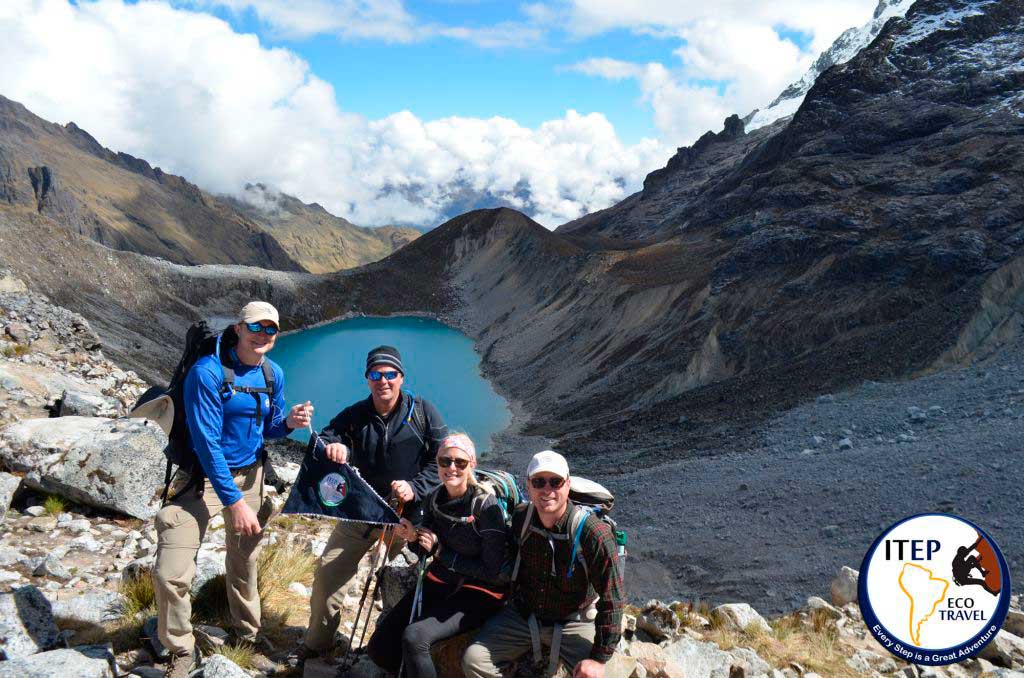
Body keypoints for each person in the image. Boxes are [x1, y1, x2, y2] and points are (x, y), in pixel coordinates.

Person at [153, 301, 313, 678]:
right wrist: (235, 501)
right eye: (256, 327)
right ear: (239, 328)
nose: (263, 335)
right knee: (170, 572)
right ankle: (179, 649)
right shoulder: (206, 373)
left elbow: (268, 425)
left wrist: (288, 422)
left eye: (271, 329)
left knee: (245, 561)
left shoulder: (273, 374)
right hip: (204, 479)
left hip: (251, 476)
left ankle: (247, 635)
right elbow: (207, 442)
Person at [292, 345, 448, 664]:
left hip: (407, 521)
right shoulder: (355, 415)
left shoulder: (423, 412)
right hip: (361, 514)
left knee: (402, 587)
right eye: (376, 375)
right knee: (326, 577)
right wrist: (335, 447)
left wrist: (415, 487)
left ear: (401, 378)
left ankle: (389, 655)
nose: (383, 381)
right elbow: (324, 438)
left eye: (390, 374)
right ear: (367, 380)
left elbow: (443, 460)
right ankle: (319, 643)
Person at [462, 451, 625, 678]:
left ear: (567, 485)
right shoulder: (522, 519)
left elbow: (613, 598)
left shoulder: (593, 534)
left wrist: (599, 659)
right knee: (474, 661)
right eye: (539, 482)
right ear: (528, 486)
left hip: (574, 619)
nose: (547, 490)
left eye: (555, 482)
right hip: (524, 614)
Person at [366, 433, 509, 677]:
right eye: (445, 461)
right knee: (379, 648)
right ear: (438, 463)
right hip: (442, 581)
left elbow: (494, 572)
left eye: (460, 462)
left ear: (471, 465)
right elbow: (423, 550)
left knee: (415, 637)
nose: (451, 467)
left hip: (482, 590)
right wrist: (413, 538)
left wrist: (441, 551)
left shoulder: (486, 507)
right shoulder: (435, 498)